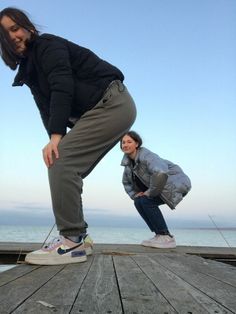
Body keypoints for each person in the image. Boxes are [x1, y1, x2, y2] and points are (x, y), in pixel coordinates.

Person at [0, 7, 136, 265]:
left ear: (28, 27)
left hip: (112, 102)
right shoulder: (29, 70)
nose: (13, 36)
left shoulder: (48, 46)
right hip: (102, 109)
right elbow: (46, 109)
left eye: (15, 28)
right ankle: (80, 239)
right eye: (6, 34)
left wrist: (57, 135)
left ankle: (72, 242)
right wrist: (54, 140)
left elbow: (63, 85)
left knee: (62, 163)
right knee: (60, 160)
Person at [120, 131, 191, 248]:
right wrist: (135, 194)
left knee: (146, 201)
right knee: (138, 201)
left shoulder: (147, 156)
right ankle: (159, 235)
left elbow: (160, 172)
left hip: (176, 183)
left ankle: (166, 236)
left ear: (136, 144)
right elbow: (126, 182)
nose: (125, 145)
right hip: (159, 187)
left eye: (129, 141)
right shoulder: (128, 164)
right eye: (123, 143)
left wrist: (149, 192)